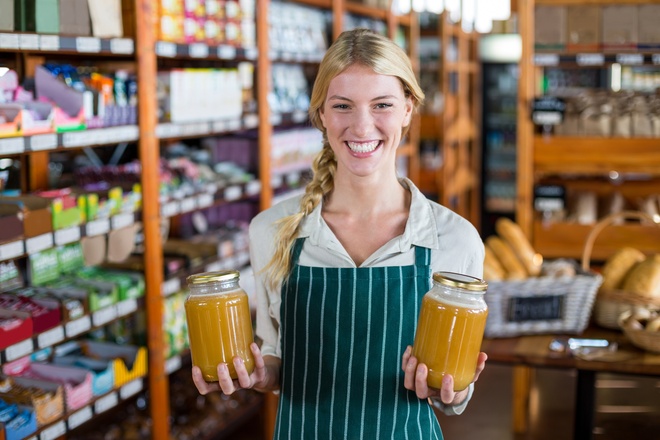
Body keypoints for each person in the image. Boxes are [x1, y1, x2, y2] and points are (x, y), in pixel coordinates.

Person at [192, 28, 487, 439]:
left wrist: (452, 390)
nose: (362, 126)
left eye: (382, 104)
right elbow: (275, 359)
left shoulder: (454, 239)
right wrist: (257, 373)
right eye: (343, 106)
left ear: (408, 109)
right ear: (321, 115)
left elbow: (451, 392)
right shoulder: (273, 231)